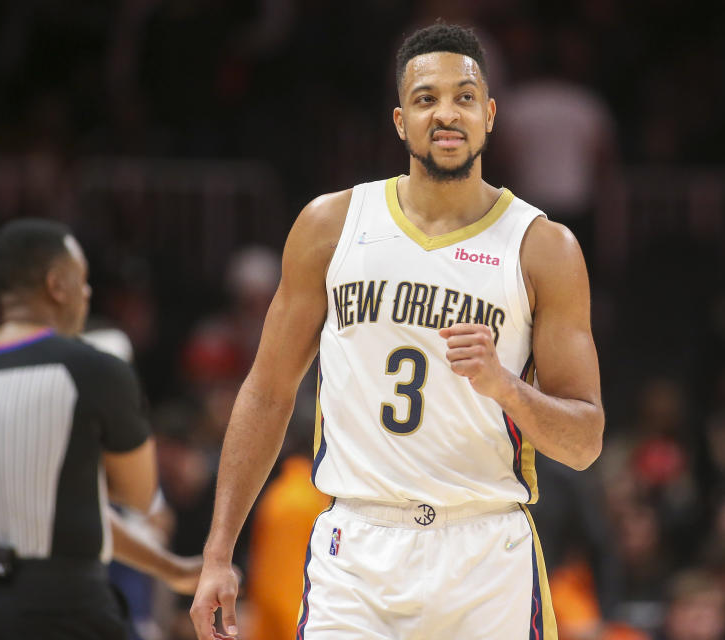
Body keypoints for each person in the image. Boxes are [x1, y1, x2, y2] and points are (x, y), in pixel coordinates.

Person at [190, 23, 604, 640]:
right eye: (426, 97)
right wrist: (218, 553)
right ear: (399, 120)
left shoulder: (542, 248)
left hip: (485, 550)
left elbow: (585, 441)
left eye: (464, 97)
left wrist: (507, 388)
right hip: (358, 546)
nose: (447, 113)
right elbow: (268, 391)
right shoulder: (331, 225)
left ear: (490, 115)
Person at [0, 218, 202, 638]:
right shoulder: (94, 369)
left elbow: (71, 502)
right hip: (63, 608)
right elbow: (138, 494)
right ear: (57, 284)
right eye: (83, 279)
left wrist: (170, 569)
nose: (88, 293)